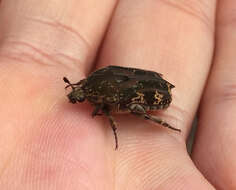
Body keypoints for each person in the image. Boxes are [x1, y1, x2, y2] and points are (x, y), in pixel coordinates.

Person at [0, 0, 234, 189]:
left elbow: (108, 113)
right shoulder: (97, 80)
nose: (78, 94)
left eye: (79, 93)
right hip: (148, 80)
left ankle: (161, 124)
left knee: (137, 112)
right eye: (79, 91)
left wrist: (112, 128)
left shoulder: (104, 95)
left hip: (156, 93)